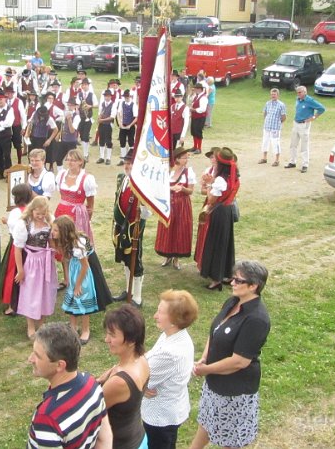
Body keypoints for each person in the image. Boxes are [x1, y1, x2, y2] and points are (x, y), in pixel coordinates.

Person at [190, 260, 271, 449]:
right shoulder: (233, 301)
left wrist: (206, 369)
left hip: (234, 391)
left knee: (231, 440)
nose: (232, 283)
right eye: (233, 278)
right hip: (215, 383)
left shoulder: (256, 320)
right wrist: (205, 357)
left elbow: (239, 362)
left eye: (238, 280)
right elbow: (216, 329)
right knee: (207, 422)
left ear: (253, 286)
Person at [27, 322, 108, 449]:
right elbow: (105, 437)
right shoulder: (92, 384)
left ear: (60, 365)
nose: (30, 359)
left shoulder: (47, 419)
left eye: (37, 356)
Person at [142, 290, 198, 449]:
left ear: (175, 319)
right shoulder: (172, 334)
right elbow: (148, 358)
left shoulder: (171, 353)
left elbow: (137, 377)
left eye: (160, 312)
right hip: (169, 409)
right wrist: (143, 385)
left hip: (160, 418)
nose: (155, 315)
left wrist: (142, 385)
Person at [98, 305, 150, 449]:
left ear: (131, 340)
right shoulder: (142, 360)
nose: (106, 339)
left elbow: (90, 410)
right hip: (138, 438)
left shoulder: (119, 382)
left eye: (113, 335)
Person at [11, 196, 57, 338]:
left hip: (46, 261)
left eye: (43, 214)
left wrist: (55, 253)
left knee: (45, 291)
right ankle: (31, 326)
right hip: (31, 262)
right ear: (32, 211)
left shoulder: (49, 221)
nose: (40, 217)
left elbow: (52, 241)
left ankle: (42, 325)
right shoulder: (24, 224)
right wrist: (20, 270)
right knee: (31, 293)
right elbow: (17, 249)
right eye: (38, 214)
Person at [196, 147, 239, 291]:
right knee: (225, 243)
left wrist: (209, 184)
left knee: (215, 243)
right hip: (226, 211)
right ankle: (226, 274)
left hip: (218, 212)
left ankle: (216, 279)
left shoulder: (220, 179)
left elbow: (212, 199)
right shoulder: (232, 176)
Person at [112, 153, 149, 307]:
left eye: (131, 163)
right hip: (122, 226)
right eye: (126, 163)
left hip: (134, 228)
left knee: (136, 262)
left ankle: (138, 297)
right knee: (126, 261)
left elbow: (148, 213)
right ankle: (129, 291)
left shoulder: (143, 184)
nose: (127, 166)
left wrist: (143, 207)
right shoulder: (123, 179)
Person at [154, 147, 195, 271]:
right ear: (177, 158)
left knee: (180, 229)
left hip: (182, 204)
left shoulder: (189, 172)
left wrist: (182, 189)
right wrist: (170, 188)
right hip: (168, 204)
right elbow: (159, 186)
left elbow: (191, 191)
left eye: (187, 157)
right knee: (167, 229)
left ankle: (176, 257)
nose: (186, 159)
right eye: (184, 157)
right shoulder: (169, 171)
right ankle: (167, 255)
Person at [0, 183, 33, 316]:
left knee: (13, 273)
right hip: (30, 247)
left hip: (16, 246)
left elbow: (13, 227)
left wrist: (6, 221)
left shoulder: (15, 212)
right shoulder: (31, 210)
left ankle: (13, 305)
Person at [55, 149, 96, 245]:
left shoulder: (87, 179)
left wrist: (86, 220)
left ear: (80, 162)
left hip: (77, 215)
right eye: (68, 160)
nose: (69, 162)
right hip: (61, 211)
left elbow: (90, 206)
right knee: (61, 240)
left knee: (76, 242)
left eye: (73, 160)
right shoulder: (61, 175)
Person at [284, 86, 325, 174]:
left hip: (304, 124)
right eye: (297, 92)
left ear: (305, 92)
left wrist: (313, 117)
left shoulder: (310, 100)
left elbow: (322, 108)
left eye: (300, 92)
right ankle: (292, 161)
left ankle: (305, 164)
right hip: (296, 123)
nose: (298, 94)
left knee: (304, 145)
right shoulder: (298, 99)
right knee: (293, 144)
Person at [260, 88, 286, 167]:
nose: (273, 96)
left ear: (277, 95)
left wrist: (278, 123)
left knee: (275, 143)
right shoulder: (267, 103)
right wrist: (267, 121)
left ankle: (277, 160)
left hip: (275, 128)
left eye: (274, 94)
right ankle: (264, 158)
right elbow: (265, 113)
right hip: (267, 127)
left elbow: (284, 117)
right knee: (265, 142)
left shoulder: (281, 105)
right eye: (271, 94)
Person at [189, 83, 208, 155]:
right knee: (194, 131)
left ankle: (199, 148)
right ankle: (195, 146)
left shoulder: (203, 97)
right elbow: (192, 102)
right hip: (195, 116)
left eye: (196, 88)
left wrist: (194, 110)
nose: (195, 90)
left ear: (199, 89)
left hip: (200, 117)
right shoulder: (196, 96)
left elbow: (203, 109)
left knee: (198, 132)